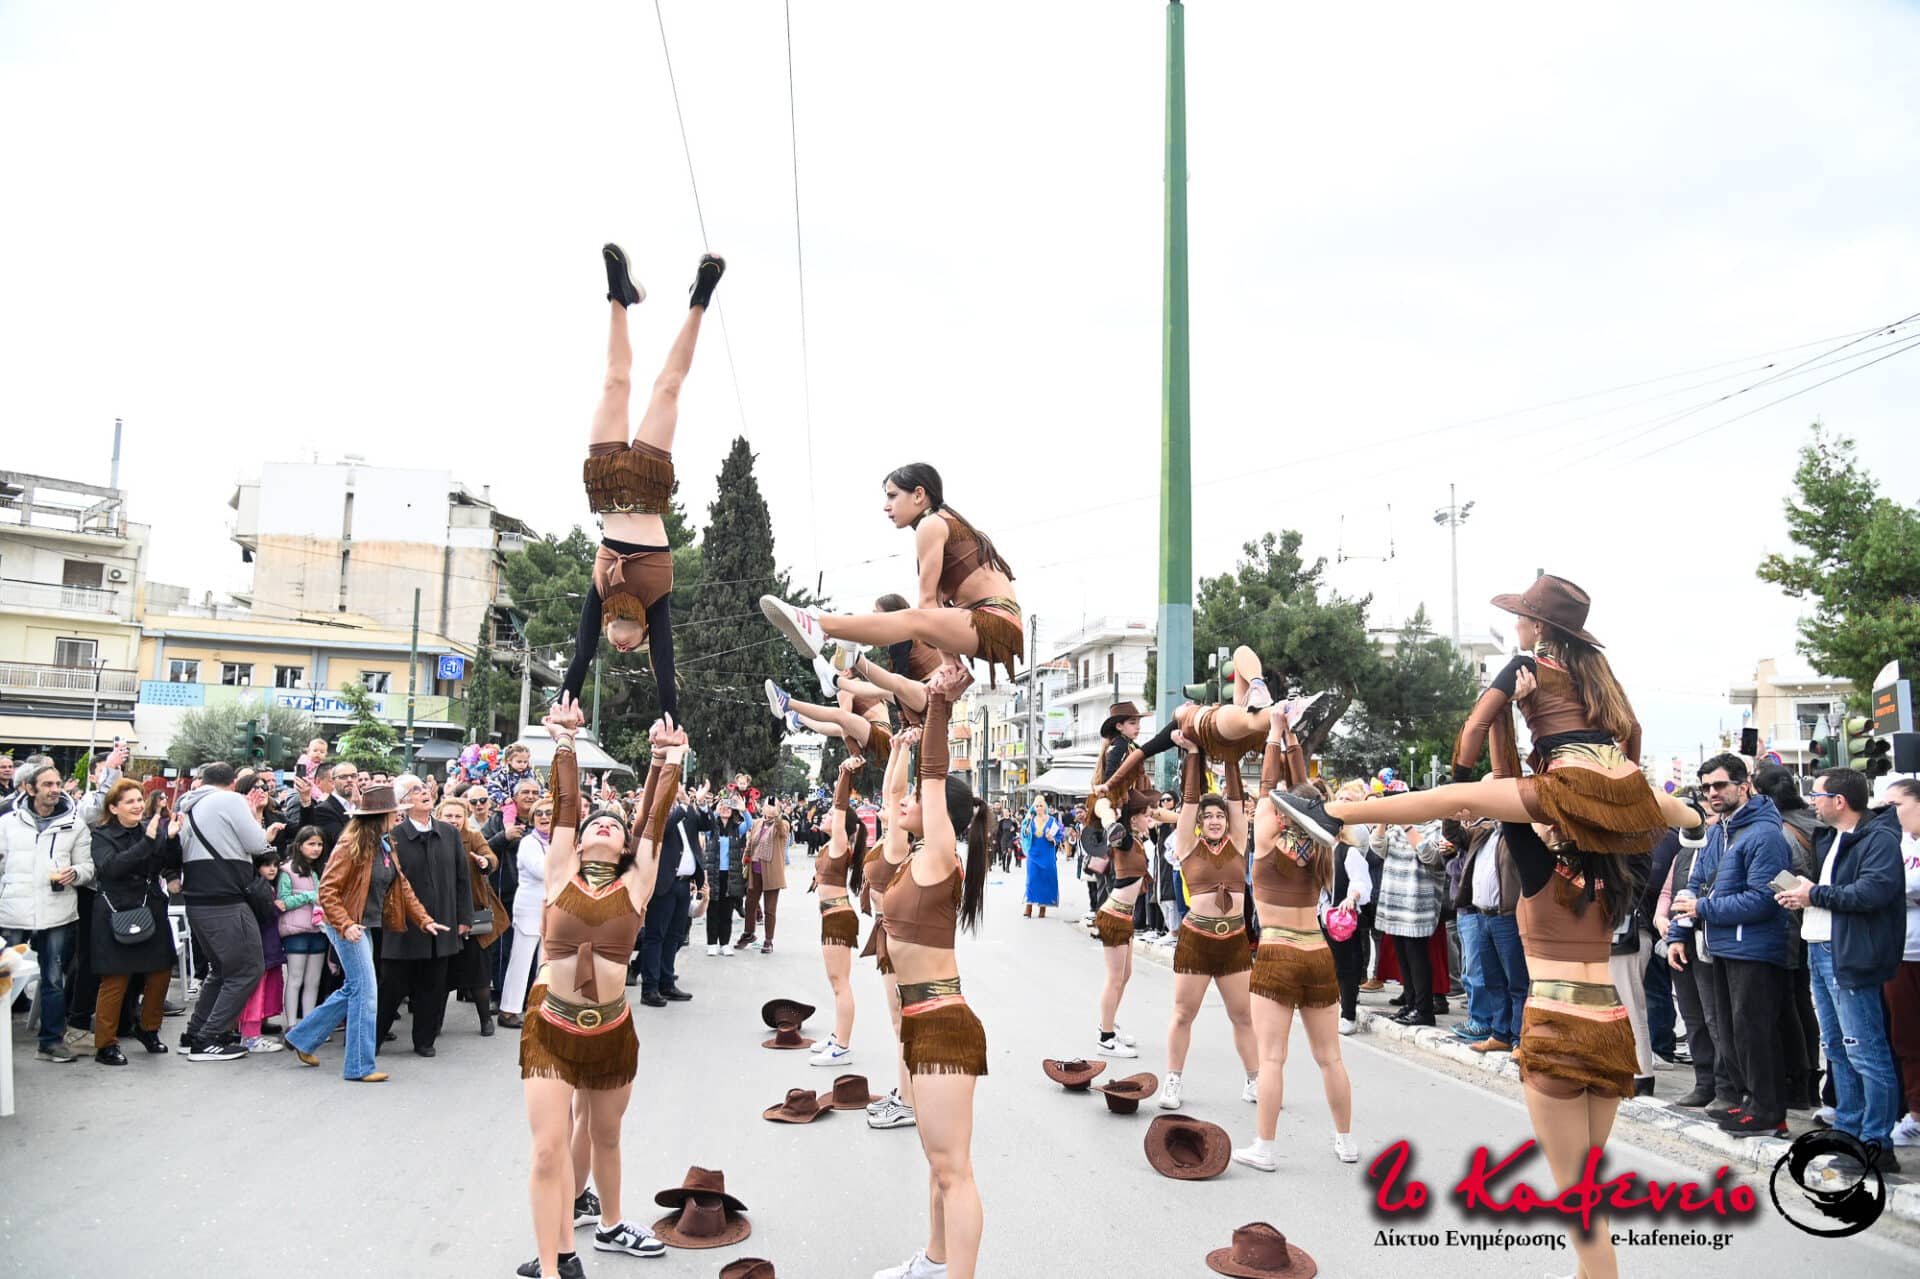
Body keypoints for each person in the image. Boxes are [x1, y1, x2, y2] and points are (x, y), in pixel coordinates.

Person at [519, 696, 681, 1277]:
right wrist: (564, 741)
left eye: (614, 823)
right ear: (579, 843)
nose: (602, 825)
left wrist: (670, 760)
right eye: (593, 825)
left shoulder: (637, 885)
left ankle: (606, 1224)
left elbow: (653, 823)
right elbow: (567, 805)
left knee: (604, 1134)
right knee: (548, 1148)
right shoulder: (560, 871)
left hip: (611, 1029)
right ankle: (554, 1263)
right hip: (551, 1025)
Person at [561, 247, 726, 733]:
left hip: (606, 483)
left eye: (617, 645)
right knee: (667, 387)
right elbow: (665, 665)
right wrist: (670, 717)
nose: (620, 646)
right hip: (648, 486)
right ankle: (700, 299)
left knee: (615, 382)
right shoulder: (657, 602)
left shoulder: (601, 593)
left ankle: (619, 295)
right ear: (645, 635)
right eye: (631, 647)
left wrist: (567, 696)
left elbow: (581, 652)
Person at [873, 667, 990, 1279]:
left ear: (943, 815)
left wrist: (938, 708)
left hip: (943, 1023)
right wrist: (902, 744)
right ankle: (936, 1259)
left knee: (954, 1170)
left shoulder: (941, 855)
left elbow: (934, 778)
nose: (907, 804)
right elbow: (893, 800)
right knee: (938, 1162)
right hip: (922, 1021)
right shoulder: (912, 859)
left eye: (917, 801)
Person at [761, 463, 1022, 689]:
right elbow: (938, 610)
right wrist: (951, 662)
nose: (886, 507)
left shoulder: (932, 524)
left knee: (911, 618)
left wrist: (948, 661)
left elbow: (928, 605)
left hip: (995, 622)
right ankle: (830, 630)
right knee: (914, 620)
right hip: (996, 625)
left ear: (918, 494)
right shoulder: (945, 523)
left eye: (893, 496)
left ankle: (819, 623)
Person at [1236, 707, 1359, 1169]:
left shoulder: (1269, 837)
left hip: (1277, 951)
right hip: (1317, 951)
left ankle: (1265, 1147)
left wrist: (1273, 733)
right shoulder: (1322, 846)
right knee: (1330, 1058)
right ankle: (1346, 1142)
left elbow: (1269, 791)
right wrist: (1289, 740)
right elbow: (1301, 793)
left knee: (1272, 1059)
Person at [1776, 767, 1907, 1171]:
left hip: (1850, 954)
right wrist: (1803, 895)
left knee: (1865, 1051)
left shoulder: (1878, 838)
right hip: (1821, 948)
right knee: (1837, 1049)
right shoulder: (1830, 837)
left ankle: (1877, 1144)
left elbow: (1872, 892)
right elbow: (1832, 892)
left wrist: (1814, 894)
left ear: (1839, 800)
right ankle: (1848, 1133)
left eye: (1817, 795)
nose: (1811, 801)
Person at [1667, 753, 1792, 1138]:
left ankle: (1769, 1112)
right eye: (1706, 787)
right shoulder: (1721, 830)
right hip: (1720, 945)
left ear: (1744, 785)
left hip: (1753, 949)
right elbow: (1694, 883)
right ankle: (1748, 1102)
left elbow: (1764, 899)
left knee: (1755, 1033)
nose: (1712, 793)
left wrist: (1701, 908)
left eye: (1720, 785)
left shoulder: (1765, 834)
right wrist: (1679, 933)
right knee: (1733, 1032)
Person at [287, 785, 449, 1080]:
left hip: (362, 924)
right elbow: (327, 891)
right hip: (347, 925)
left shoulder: (385, 843)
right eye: (394, 813)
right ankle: (359, 1066)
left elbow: (402, 886)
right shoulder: (350, 844)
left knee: (355, 987)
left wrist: (424, 919)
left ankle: (302, 1037)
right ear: (379, 817)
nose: (398, 817)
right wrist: (346, 925)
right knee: (366, 992)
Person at [1159, 744, 1259, 1112]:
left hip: (1233, 941)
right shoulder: (1187, 845)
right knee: (1183, 1014)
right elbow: (1188, 802)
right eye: (1209, 816)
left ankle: (1255, 1080)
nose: (1216, 820)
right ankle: (1173, 1080)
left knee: (1243, 1016)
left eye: (1220, 816)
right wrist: (1193, 756)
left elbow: (1236, 800)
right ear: (1200, 822)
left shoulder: (1238, 843)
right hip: (1197, 940)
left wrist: (1232, 754)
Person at [177, 762, 275, 1061]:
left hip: (198, 897)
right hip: (225, 899)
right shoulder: (230, 800)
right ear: (233, 783)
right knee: (248, 969)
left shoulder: (188, 803)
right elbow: (258, 844)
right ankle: (208, 1038)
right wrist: (255, 818)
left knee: (221, 970)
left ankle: (194, 1034)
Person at [0, 761, 96, 1062]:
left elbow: (88, 867)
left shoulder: (75, 824)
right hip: (13, 910)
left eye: (57, 784)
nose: (55, 790)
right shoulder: (7, 823)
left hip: (57, 911)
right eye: (47, 785)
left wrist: (76, 873)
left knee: (53, 978)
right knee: (4, 977)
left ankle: (50, 1042)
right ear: (30, 789)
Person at [87, 779, 180, 1065]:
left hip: (149, 905)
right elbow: (112, 867)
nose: (138, 805)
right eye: (130, 801)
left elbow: (167, 864)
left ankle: (148, 1028)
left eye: (140, 799)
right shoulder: (101, 834)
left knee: (161, 971)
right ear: (114, 808)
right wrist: (148, 842)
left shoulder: (150, 829)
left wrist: (171, 840)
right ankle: (105, 1044)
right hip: (115, 909)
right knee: (115, 977)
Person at [378, 776, 472, 1057]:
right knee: (391, 987)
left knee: (433, 986)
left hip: (442, 922)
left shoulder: (449, 833)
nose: (423, 793)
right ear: (403, 802)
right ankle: (372, 1040)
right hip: (403, 926)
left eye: (423, 787)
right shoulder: (393, 836)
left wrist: (464, 916)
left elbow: (462, 877)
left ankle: (424, 1040)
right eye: (414, 790)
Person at [810, 758, 867, 1068]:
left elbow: (841, 806)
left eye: (831, 814)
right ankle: (837, 1037)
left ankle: (842, 1047)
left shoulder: (839, 843)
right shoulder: (831, 846)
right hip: (832, 916)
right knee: (836, 981)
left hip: (838, 917)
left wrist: (844, 774)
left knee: (840, 982)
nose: (826, 815)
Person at [439, 792, 508, 1036]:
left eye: (458, 816)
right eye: (448, 816)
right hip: (442, 913)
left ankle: (485, 1020)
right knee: (441, 975)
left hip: (473, 911)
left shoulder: (473, 836)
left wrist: (485, 862)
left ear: (465, 818)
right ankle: (434, 1024)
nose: (453, 820)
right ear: (439, 816)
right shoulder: (433, 837)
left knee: (479, 971)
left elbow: (491, 857)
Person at [636, 774, 708, 1004]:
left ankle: (667, 983)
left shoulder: (684, 812)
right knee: (656, 935)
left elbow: (706, 825)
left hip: (684, 884)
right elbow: (662, 829)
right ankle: (650, 988)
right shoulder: (656, 812)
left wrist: (698, 803)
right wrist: (683, 806)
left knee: (674, 936)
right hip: (663, 883)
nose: (677, 790)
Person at [1883, 778, 1920, 1150]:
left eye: (1895, 805)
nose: (1889, 814)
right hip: (1901, 952)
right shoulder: (1898, 843)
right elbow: (1886, 885)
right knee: (1907, 1038)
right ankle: (1916, 1115)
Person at [498, 797, 554, 1030]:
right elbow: (543, 871)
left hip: (554, 911)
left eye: (549, 813)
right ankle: (508, 1010)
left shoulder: (560, 842)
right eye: (539, 814)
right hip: (530, 910)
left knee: (547, 963)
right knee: (521, 962)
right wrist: (568, 861)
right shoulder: (529, 843)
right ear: (532, 819)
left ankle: (543, 1009)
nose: (544, 817)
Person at [236, 849, 288, 1053]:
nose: (272, 869)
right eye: (267, 865)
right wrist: (276, 908)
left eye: (275, 865)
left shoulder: (263, 886)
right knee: (257, 990)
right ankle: (250, 1035)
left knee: (266, 988)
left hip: (268, 945)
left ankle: (258, 1027)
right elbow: (263, 915)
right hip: (262, 946)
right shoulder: (258, 888)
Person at [278, 828, 329, 1025]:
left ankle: (308, 1025)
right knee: (295, 979)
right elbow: (283, 902)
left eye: (319, 844)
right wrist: (309, 896)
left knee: (313, 981)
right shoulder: (287, 870)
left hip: (319, 929)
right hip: (296, 931)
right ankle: (292, 1025)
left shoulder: (322, 869)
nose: (316, 848)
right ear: (300, 846)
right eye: (311, 844)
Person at [737, 798, 791, 954]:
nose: (769, 809)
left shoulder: (783, 824)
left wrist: (777, 816)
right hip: (755, 871)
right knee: (750, 904)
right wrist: (746, 859)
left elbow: (782, 831)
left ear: (778, 809)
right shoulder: (757, 823)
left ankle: (768, 940)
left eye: (773, 806)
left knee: (769, 909)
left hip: (772, 873)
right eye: (767, 805)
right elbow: (750, 844)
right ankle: (749, 933)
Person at [703, 797, 749, 954]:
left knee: (726, 911)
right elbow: (705, 824)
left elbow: (750, 824)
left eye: (729, 808)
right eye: (723, 807)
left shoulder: (737, 829)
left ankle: (724, 944)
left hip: (731, 875)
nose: (725, 809)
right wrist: (714, 812)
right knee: (712, 910)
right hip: (713, 874)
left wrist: (743, 809)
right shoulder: (711, 828)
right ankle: (711, 944)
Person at [1019, 798, 1062, 919]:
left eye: (1040, 805)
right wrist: (1027, 828)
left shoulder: (1052, 820)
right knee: (1032, 879)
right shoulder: (1030, 820)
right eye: (1036, 806)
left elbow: (1059, 835)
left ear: (1045, 807)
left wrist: (1052, 839)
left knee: (1045, 879)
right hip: (1033, 854)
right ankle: (1029, 906)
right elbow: (1024, 835)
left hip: (1047, 853)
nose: (1038, 808)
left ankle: (1043, 907)